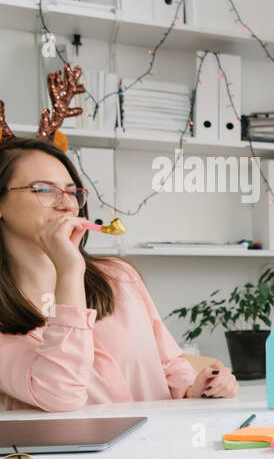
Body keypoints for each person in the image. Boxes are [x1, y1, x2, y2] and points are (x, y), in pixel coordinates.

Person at [0, 137, 238, 411]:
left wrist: (195, 389)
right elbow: (61, 396)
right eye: (43, 190)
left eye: (72, 192)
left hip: (161, 446)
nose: (67, 205)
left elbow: (170, 363)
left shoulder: (118, 277)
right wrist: (70, 270)